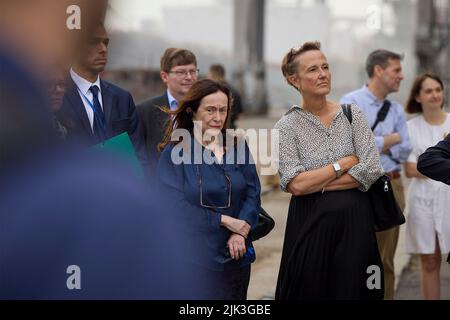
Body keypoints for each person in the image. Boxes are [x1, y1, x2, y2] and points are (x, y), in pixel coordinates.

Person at [274, 41, 384, 300]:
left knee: (357, 292)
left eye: (325, 67)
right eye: (312, 69)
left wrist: (315, 181)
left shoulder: (352, 115)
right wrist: (342, 165)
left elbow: (371, 169)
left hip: (356, 224)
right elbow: (295, 184)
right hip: (308, 225)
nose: (322, 74)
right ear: (294, 79)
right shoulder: (285, 127)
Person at [157, 79, 261, 299]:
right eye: (210, 110)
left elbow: (252, 193)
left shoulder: (237, 145)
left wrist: (239, 232)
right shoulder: (175, 152)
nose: (218, 117)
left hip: (237, 255)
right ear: (193, 111)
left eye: (223, 110)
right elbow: (173, 207)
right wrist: (222, 220)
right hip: (194, 258)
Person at [340, 49, 412, 299]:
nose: (401, 76)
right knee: (355, 258)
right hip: (358, 187)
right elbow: (348, 145)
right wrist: (388, 140)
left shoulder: (396, 109)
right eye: (397, 70)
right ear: (378, 70)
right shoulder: (351, 102)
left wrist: (373, 143)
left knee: (385, 260)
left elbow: (405, 149)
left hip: (391, 186)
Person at [57, 23, 149, 173]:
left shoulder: (123, 98)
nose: (103, 49)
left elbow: (139, 156)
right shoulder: (57, 97)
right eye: (94, 42)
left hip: (120, 190)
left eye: (106, 42)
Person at [404, 74, 450, 297]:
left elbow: (422, 164)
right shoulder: (410, 127)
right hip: (422, 201)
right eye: (428, 91)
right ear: (418, 96)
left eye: (438, 90)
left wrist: (434, 165)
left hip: (448, 198)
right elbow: (411, 169)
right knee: (430, 260)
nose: (435, 95)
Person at [137, 48, 198, 170]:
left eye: (193, 71)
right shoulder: (144, 111)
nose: (189, 77)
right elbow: (138, 157)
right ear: (164, 76)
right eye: (181, 72)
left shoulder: (205, 109)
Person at [208, 64, 244, 129]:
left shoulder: (211, 92)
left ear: (213, 75)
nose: (208, 78)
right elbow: (240, 115)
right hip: (231, 128)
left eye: (209, 75)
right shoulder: (235, 91)